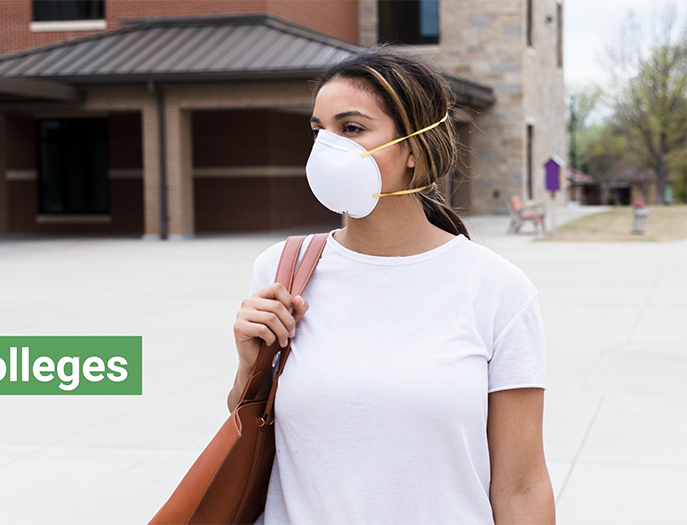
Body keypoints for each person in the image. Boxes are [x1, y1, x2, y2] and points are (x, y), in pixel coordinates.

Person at [229, 49, 556, 524]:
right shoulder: (282, 269)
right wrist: (248, 365)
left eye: (352, 128)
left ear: (416, 150)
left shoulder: (498, 289)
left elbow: (523, 485)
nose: (327, 148)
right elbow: (252, 427)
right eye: (319, 130)